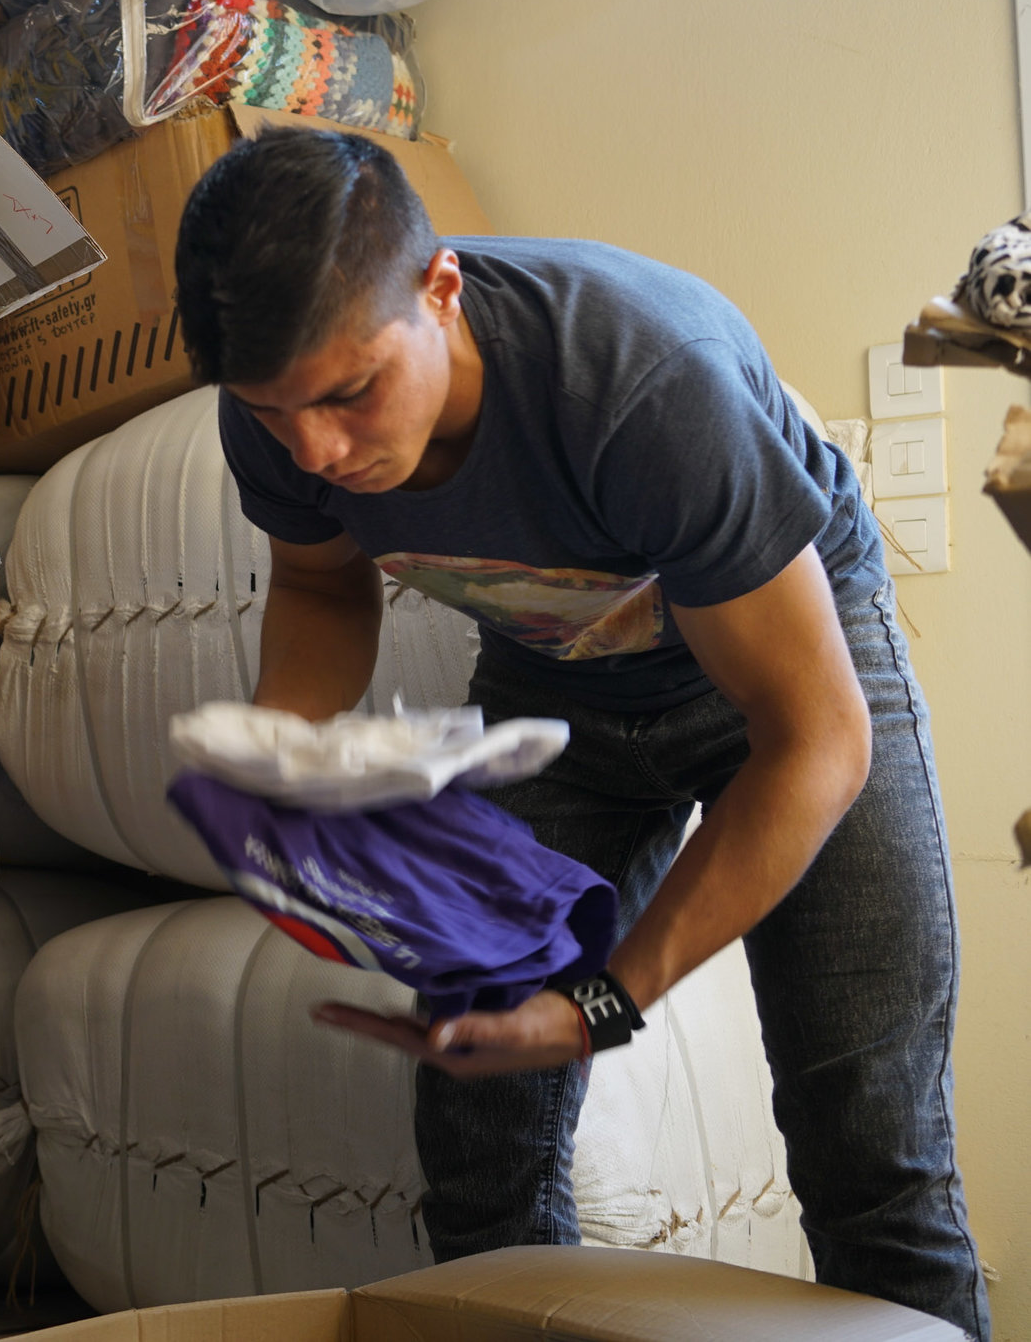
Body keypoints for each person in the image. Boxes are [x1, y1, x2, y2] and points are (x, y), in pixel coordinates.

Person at [175, 125, 988, 1339]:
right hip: (558, 681)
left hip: (785, 680)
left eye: (348, 396)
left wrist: (604, 1002)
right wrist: (278, 757)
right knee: (479, 1138)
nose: (318, 453)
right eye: (273, 414)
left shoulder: (642, 382)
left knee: (870, 1147)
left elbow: (814, 742)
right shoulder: (283, 415)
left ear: (439, 290)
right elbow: (320, 584)